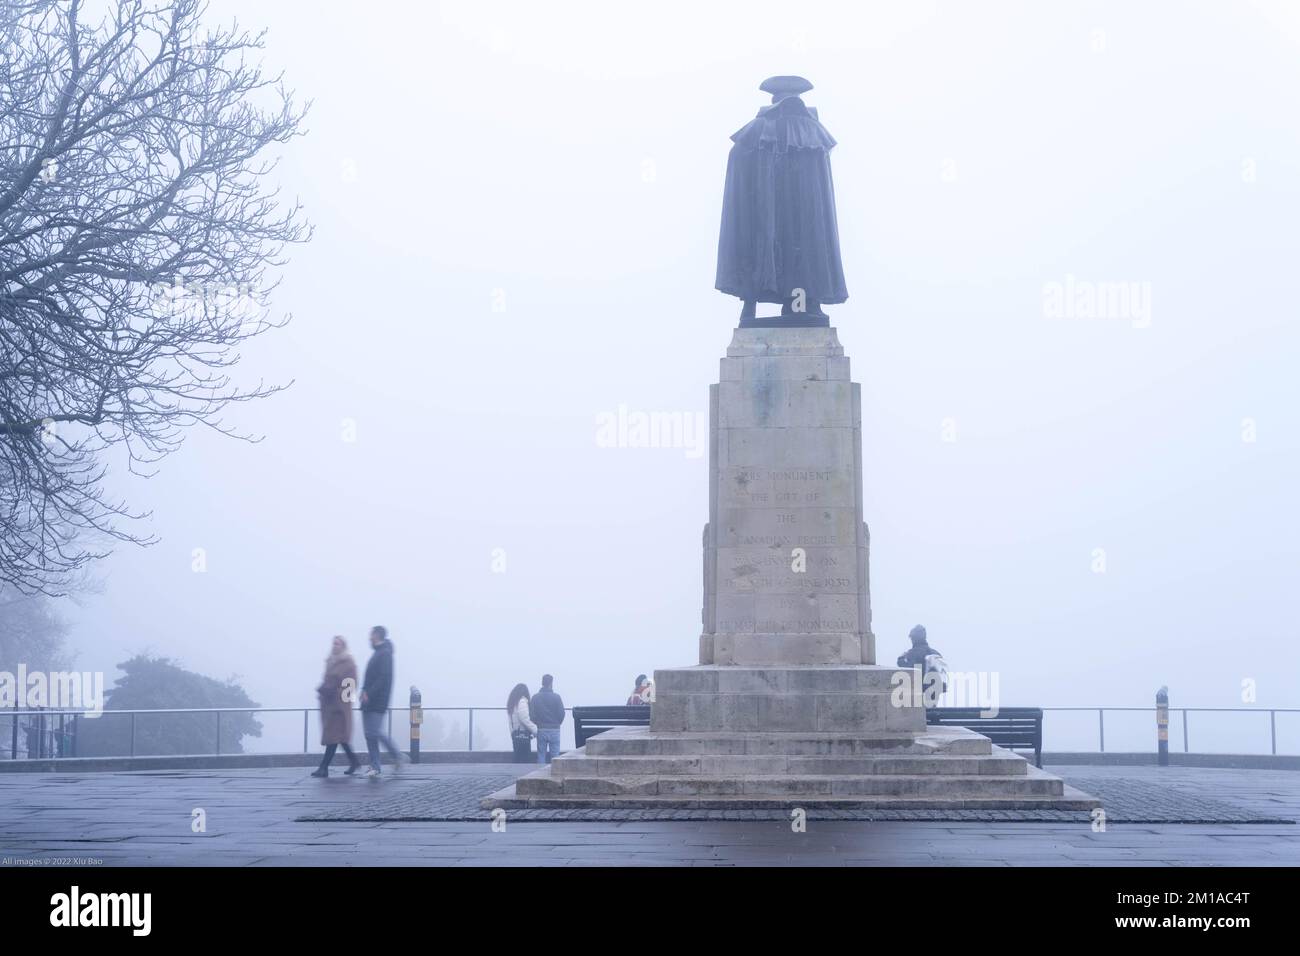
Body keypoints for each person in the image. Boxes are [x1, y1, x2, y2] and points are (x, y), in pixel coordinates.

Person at [360, 625, 407, 777]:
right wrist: (363, 691)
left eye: (371, 634)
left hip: (377, 701)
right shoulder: (378, 653)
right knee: (369, 734)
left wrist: (370, 693)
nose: (369, 637)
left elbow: (383, 677)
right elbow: (371, 677)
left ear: (377, 635)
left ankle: (396, 755)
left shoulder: (385, 653)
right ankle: (375, 765)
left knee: (374, 732)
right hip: (369, 700)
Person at [311, 636, 361, 777]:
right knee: (340, 738)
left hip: (340, 707)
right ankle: (354, 761)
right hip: (329, 705)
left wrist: (338, 699)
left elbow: (350, 687)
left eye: (338, 644)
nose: (335, 646)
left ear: (343, 646)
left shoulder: (348, 663)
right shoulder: (330, 661)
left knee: (333, 737)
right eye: (333, 643)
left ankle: (324, 767)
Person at [897, 624, 948, 705]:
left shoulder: (913, 653)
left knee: (921, 716)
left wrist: (900, 659)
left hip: (920, 694)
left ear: (913, 639)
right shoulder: (935, 653)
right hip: (934, 693)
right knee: (933, 714)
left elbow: (909, 671)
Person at [529, 673, 565, 765]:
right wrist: (557, 723)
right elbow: (562, 713)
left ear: (542, 683)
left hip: (541, 729)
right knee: (555, 756)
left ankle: (539, 775)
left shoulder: (535, 697)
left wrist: (538, 723)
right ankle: (554, 775)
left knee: (541, 755)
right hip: (555, 729)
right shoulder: (557, 697)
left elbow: (532, 715)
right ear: (551, 683)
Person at [506, 683, 537, 763]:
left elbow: (510, 721)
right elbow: (524, 718)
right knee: (525, 759)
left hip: (515, 734)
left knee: (517, 758)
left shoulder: (512, 703)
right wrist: (535, 730)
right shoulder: (522, 701)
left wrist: (512, 732)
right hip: (523, 734)